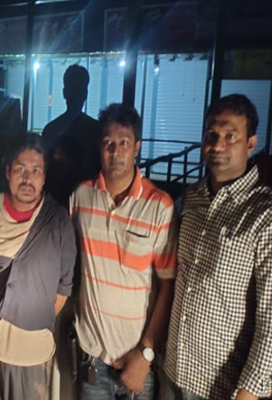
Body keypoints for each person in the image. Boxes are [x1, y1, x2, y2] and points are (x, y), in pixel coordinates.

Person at [162, 94, 272, 400]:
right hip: (173, 371)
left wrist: (248, 392)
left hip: (221, 387)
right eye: (211, 135)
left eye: (230, 136)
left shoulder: (263, 214)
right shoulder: (191, 198)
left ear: (251, 144)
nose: (218, 145)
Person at [71, 103, 178, 400]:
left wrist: (146, 353)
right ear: (99, 147)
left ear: (137, 148)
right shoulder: (80, 197)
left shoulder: (160, 206)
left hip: (137, 363)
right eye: (108, 143)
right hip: (92, 359)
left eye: (124, 143)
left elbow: (167, 286)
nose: (115, 151)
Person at [0, 134, 76, 400]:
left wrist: (30, 315)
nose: (28, 178)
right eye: (20, 169)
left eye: (36, 170)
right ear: (7, 172)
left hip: (34, 355)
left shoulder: (58, 221)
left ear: (44, 177)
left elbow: (62, 290)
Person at [42, 64, 101, 200]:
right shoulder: (96, 130)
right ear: (85, 94)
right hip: (88, 201)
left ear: (64, 92)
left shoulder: (50, 130)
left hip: (55, 200)